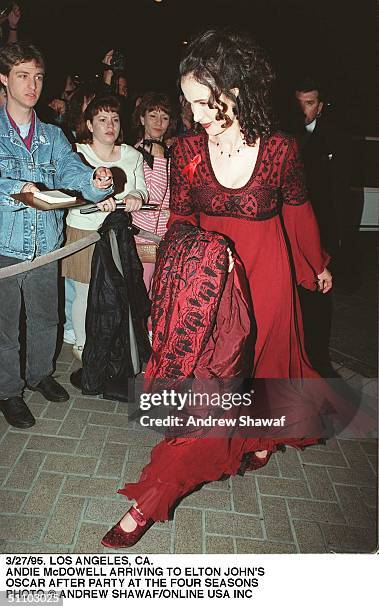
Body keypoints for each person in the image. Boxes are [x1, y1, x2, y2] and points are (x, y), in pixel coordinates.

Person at [101, 28, 332, 549]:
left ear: (238, 89)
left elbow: (297, 212)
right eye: (189, 102)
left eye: (206, 102)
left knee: (266, 372)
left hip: (268, 279)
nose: (196, 114)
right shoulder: (185, 149)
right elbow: (180, 220)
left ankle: (260, 439)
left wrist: (315, 265)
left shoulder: (280, 149)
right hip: (214, 287)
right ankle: (151, 499)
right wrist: (187, 270)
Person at [0, 42, 113, 429]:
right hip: (5, 247)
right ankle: (9, 391)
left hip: (47, 246)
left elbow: (72, 171)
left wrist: (96, 182)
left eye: (38, 77)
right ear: (4, 78)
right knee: (5, 327)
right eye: (22, 75)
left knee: (47, 318)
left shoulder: (53, 135)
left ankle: (38, 375)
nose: (32, 85)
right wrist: (18, 189)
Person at [61, 94, 148, 362]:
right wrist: (95, 199)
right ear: (89, 124)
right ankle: (83, 345)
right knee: (85, 293)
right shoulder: (77, 152)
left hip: (116, 234)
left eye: (115, 119)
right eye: (102, 119)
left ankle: (111, 343)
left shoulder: (132, 154)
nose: (110, 125)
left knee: (114, 291)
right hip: (84, 231)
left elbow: (140, 188)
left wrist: (136, 198)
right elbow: (69, 190)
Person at [291, 76, 352, 376]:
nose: (304, 109)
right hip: (291, 229)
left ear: (321, 106)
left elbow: (341, 192)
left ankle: (318, 360)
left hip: (322, 231)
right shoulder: (284, 136)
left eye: (310, 103)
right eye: (299, 102)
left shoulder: (335, 139)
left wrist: (339, 238)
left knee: (318, 297)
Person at [131, 92, 177, 293]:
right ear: (142, 118)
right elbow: (155, 196)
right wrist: (159, 158)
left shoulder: (170, 154)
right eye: (153, 115)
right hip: (143, 240)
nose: (159, 122)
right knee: (143, 297)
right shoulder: (133, 155)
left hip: (166, 238)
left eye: (164, 117)